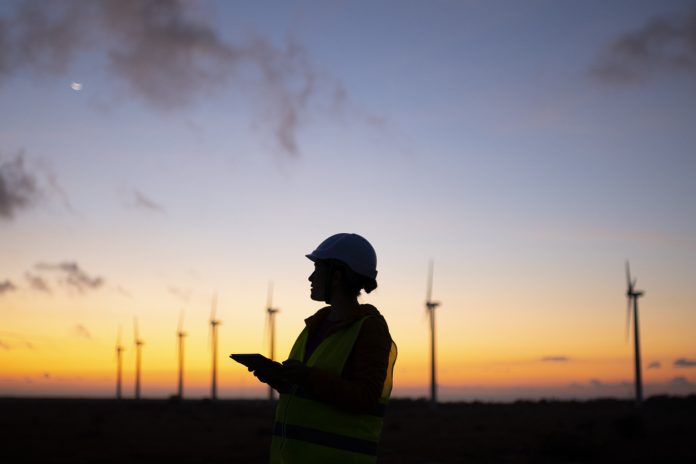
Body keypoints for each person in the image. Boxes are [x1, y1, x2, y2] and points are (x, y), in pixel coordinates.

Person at [253, 233, 397, 464]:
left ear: (336, 276)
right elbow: (311, 391)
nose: (311, 277)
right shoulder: (314, 326)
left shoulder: (370, 329)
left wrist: (306, 376)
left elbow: (366, 398)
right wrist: (280, 379)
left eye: (317, 268)